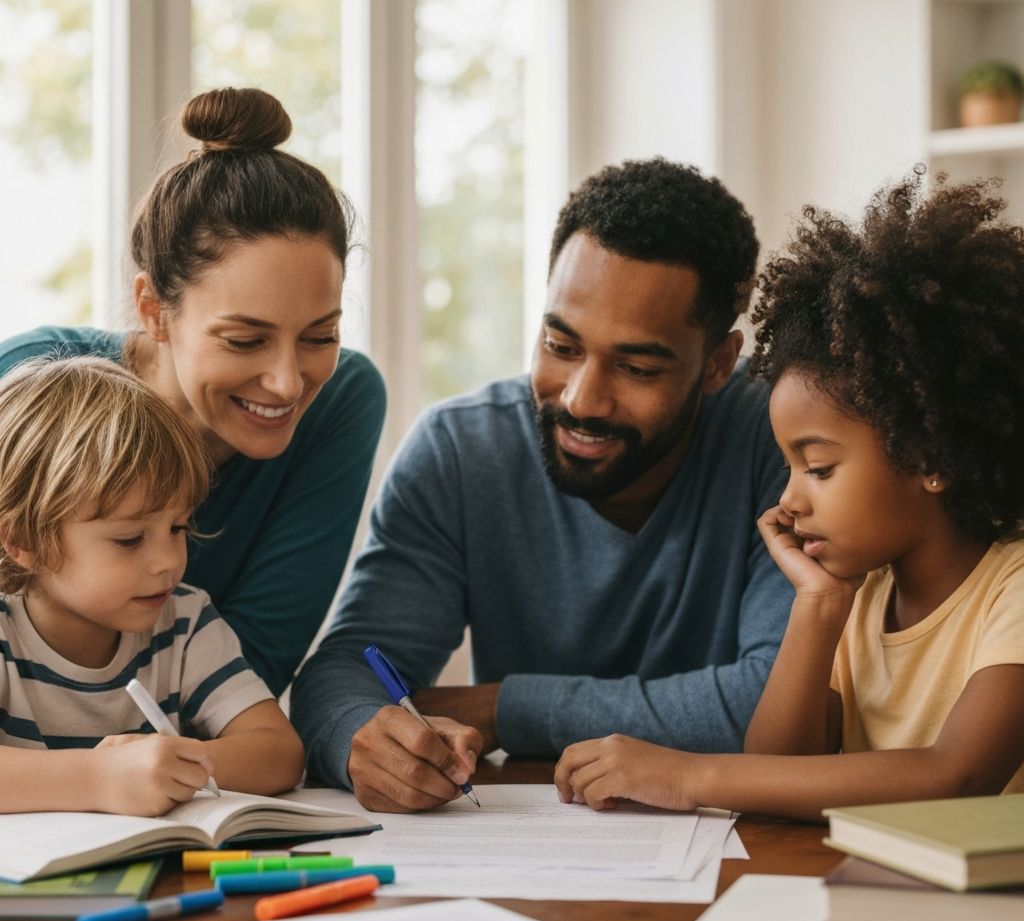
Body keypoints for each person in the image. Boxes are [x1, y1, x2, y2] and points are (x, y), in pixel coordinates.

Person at [291, 157, 793, 811]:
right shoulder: (462, 453)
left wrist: (505, 707)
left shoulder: (785, 440)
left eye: (637, 367)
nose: (582, 400)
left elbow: (778, 704)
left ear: (718, 364)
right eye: (561, 346)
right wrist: (364, 737)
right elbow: (343, 676)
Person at [554, 172, 1024, 818]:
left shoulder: (1014, 588)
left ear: (930, 458)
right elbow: (780, 775)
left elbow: (957, 776)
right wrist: (818, 607)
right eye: (788, 467)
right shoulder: (861, 593)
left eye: (819, 468)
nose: (791, 500)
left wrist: (689, 777)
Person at [0, 87, 385, 697]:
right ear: (154, 310)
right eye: (243, 340)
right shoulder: (22, 382)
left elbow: (251, 675)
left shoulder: (343, 402)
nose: (288, 382)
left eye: (321, 335)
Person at [0, 357, 305, 816]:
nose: (168, 561)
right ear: (23, 541)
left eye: (178, 527)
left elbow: (280, 753)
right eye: (129, 538)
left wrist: (176, 765)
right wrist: (97, 778)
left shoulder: (183, 621)